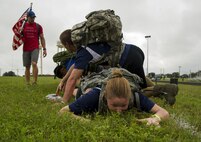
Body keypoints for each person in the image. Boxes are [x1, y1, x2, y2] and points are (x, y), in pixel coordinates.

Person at [58, 29, 178, 105]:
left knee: (134, 91)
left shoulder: (83, 52)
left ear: (68, 44)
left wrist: (64, 101)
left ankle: (164, 89)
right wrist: (63, 80)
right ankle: (166, 93)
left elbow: (73, 78)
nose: (67, 49)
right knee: (140, 81)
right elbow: (75, 66)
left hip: (127, 59)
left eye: (65, 46)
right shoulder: (88, 43)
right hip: (133, 50)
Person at [59, 68, 169, 126]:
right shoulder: (93, 97)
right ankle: (68, 88)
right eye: (114, 105)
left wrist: (154, 119)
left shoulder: (135, 96)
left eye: (123, 105)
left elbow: (164, 112)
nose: (119, 111)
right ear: (106, 98)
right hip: (94, 85)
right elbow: (63, 112)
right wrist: (87, 121)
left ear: (129, 98)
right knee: (79, 92)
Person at [22, 10, 47, 85]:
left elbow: (42, 38)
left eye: (34, 17)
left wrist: (44, 49)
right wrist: (20, 33)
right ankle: (27, 83)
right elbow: (18, 36)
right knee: (27, 66)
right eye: (31, 18)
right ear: (27, 18)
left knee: (34, 63)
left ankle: (35, 82)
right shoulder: (23, 26)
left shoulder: (38, 26)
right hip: (26, 48)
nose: (33, 19)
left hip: (35, 48)